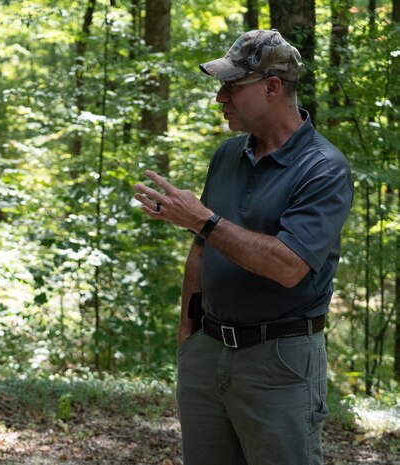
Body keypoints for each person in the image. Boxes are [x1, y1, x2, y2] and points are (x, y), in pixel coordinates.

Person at [133, 30, 353, 465]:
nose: (220, 98)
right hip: (208, 351)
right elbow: (203, 248)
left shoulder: (323, 168)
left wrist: (201, 218)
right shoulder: (227, 155)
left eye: (232, 86)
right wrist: (188, 333)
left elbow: (289, 266)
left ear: (272, 87)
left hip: (280, 363)